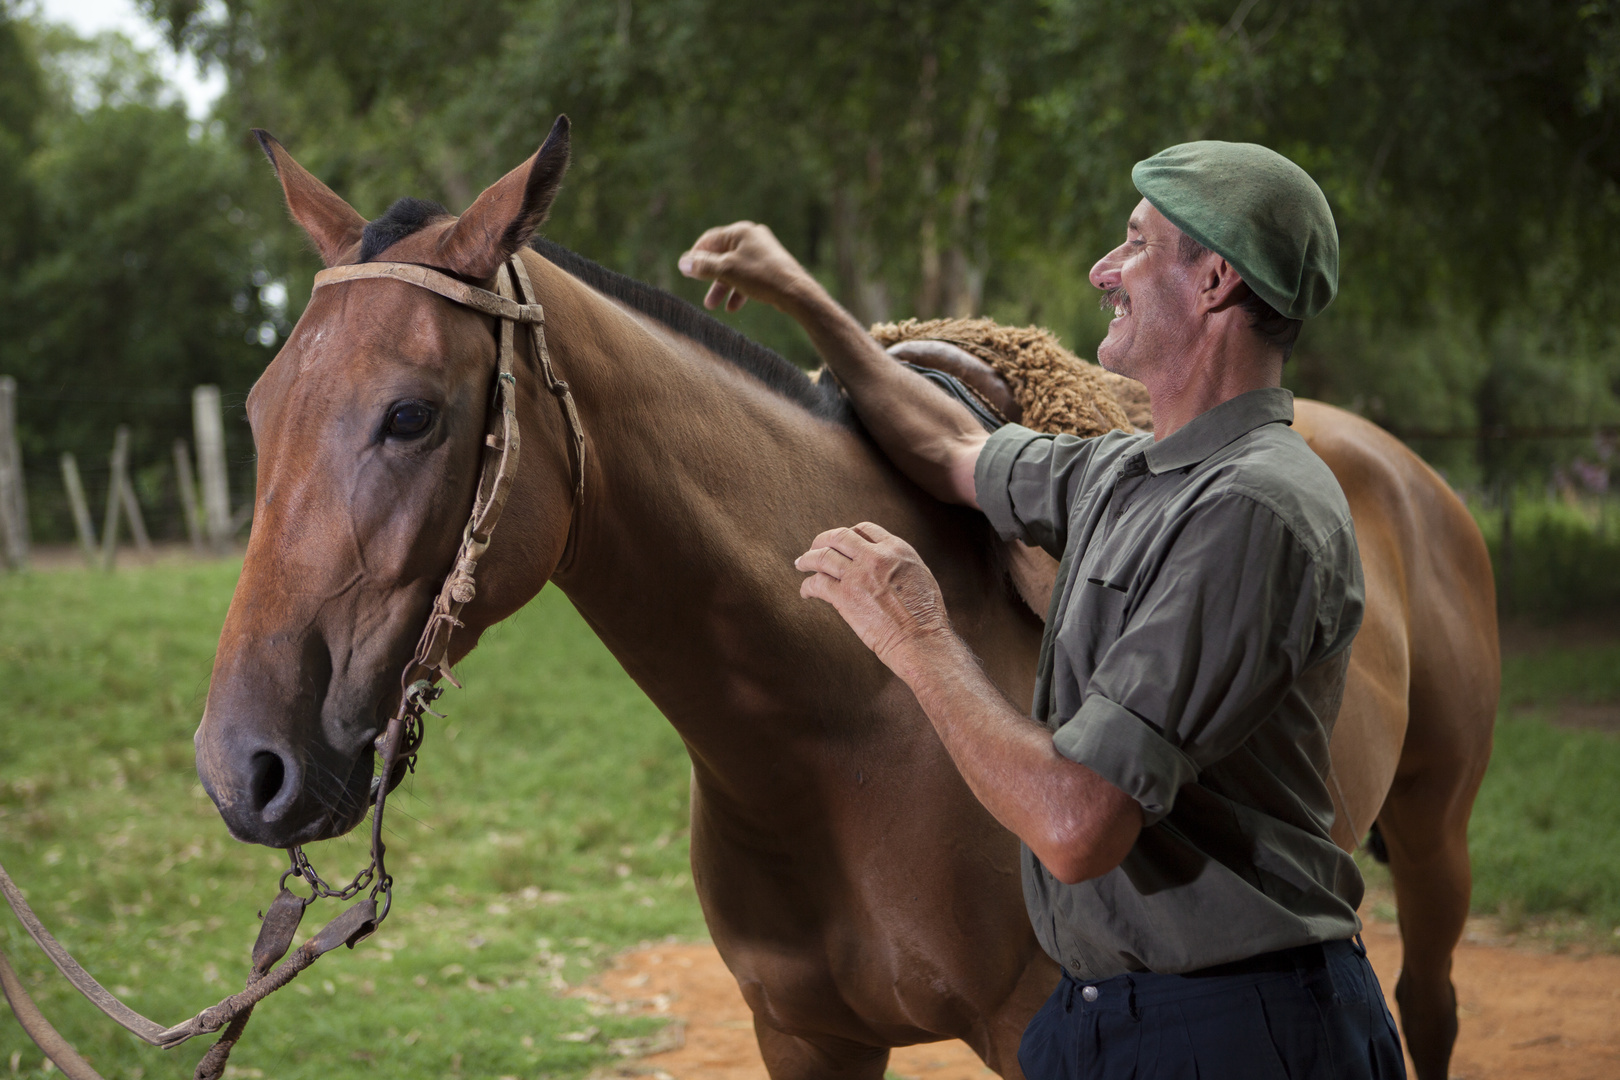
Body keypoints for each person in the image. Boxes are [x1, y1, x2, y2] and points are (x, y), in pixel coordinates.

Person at [678, 141, 1406, 1080]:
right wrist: (807, 299)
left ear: (1217, 280)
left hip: (1238, 1028)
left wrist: (916, 635)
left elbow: (1077, 824)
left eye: (1137, 244)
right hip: (1101, 1019)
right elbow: (946, 444)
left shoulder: (1251, 511)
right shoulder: (1126, 471)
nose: (1106, 269)